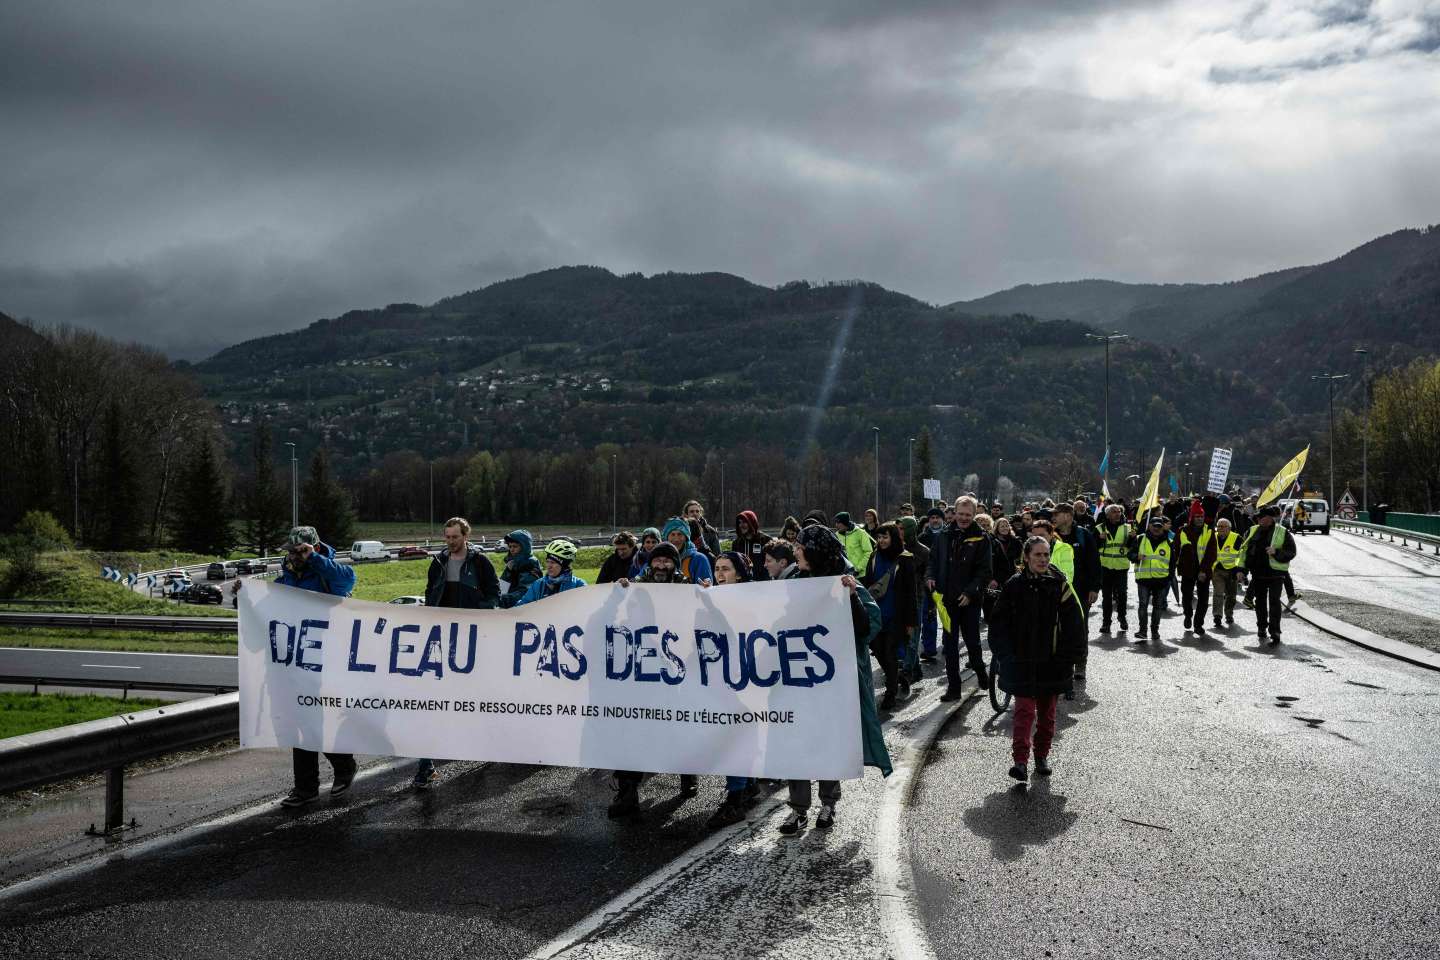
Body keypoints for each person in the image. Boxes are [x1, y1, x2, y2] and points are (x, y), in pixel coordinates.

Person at [779, 524, 891, 836]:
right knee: (796, 741)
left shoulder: (847, 581)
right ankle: (797, 808)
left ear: (816, 552)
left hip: (834, 681)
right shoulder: (790, 580)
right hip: (798, 679)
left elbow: (868, 627)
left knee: (828, 741)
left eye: (801, 547)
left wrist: (852, 597)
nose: (796, 551)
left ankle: (828, 802)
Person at [609, 543, 698, 817]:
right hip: (643, 670)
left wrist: (706, 593)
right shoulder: (637, 586)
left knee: (681, 726)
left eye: (666, 561)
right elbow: (617, 614)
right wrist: (619, 591)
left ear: (675, 564)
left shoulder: (688, 589)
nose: (661, 566)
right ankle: (627, 792)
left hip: (677, 670)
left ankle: (689, 773)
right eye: (656, 561)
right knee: (632, 728)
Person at [989, 534, 1086, 782]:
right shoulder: (1013, 585)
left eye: (1046, 554)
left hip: (1052, 663)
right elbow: (998, 623)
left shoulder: (1060, 585)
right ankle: (1020, 761)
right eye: (1037, 555)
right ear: (1027, 557)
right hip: (1020, 662)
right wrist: (1005, 655)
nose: (1043, 559)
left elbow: (1075, 623)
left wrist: (1068, 658)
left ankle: (1041, 755)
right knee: (1023, 713)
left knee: (1047, 715)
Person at [274, 525, 359, 808]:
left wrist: (315, 560)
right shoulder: (287, 573)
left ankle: (344, 765)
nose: (296, 556)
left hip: (328, 657)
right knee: (301, 721)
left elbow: (346, 583)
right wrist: (245, 593)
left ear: (315, 548)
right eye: (293, 551)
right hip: (297, 658)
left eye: (302, 551)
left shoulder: (329, 570)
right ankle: (306, 787)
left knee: (317, 719)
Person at [415, 517, 500, 788]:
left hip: (471, 638)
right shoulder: (438, 562)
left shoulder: (479, 562)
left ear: (466, 536)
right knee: (433, 701)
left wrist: (475, 615)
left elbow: (494, 595)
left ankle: (482, 742)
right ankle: (425, 766)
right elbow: (430, 593)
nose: (450, 541)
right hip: (441, 638)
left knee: (472, 695)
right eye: (447, 536)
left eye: (454, 536)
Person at [704, 551, 764, 827]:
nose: (719, 574)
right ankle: (748, 783)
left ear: (739, 573)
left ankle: (735, 799)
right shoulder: (712, 597)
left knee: (735, 733)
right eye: (717, 568)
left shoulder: (753, 598)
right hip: (722, 677)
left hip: (747, 677)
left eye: (726, 569)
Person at [928, 496, 993, 700]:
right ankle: (954, 688)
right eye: (961, 514)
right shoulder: (943, 535)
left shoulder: (982, 538)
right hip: (946, 601)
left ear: (974, 515)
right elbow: (933, 560)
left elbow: (985, 571)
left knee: (973, 643)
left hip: (969, 602)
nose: (964, 518)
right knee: (949, 645)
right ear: (954, 513)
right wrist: (929, 577)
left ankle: (981, 672)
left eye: (968, 515)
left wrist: (970, 592)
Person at [862, 522, 917, 710]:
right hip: (876, 615)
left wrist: (911, 622)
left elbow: (911, 592)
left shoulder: (905, 559)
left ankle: (890, 693)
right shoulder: (874, 556)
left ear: (893, 538)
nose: (881, 541)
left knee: (889, 652)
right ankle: (898, 677)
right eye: (879, 537)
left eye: (885, 537)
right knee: (878, 651)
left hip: (896, 615)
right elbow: (868, 584)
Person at [1244, 506, 1297, 645]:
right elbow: (1243, 551)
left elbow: (1291, 551)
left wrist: (1276, 552)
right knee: (1260, 602)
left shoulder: (1282, 531)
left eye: (1261, 517)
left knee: (1274, 602)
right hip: (1258, 573)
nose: (1258, 519)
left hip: (1275, 574)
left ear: (1269, 518)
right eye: (1258, 517)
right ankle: (1261, 627)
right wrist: (1241, 571)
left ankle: (1275, 631)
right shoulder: (1252, 530)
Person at [895, 515, 931, 683]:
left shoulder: (923, 551)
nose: (899, 532)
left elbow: (927, 575)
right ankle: (916, 669)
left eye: (902, 528)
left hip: (916, 597)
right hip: (899, 596)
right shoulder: (895, 548)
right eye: (898, 528)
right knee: (904, 635)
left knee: (912, 636)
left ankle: (907, 670)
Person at [1130, 515, 1173, 642]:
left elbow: (1172, 561)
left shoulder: (1168, 542)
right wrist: (1136, 557)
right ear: (1149, 526)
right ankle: (1143, 631)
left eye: (1159, 526)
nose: (1156, 528)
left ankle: (1155, 630)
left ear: (1162, 528)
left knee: (1158, 606)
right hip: (1144, 579)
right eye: (1154, 526)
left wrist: (1170, 578)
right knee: (1143, 605)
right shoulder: (1140, 539)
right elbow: (1130, 554)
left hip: (1161, 580)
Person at [1175, 512, 1216, 637]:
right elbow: (1177, 548)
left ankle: (1198, 624)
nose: (1200, 519)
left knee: (1203, 599)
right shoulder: (1183, 531)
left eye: (1202, 517)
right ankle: (1188, 614)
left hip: (1204, 570)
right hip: (1188, 570)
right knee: (1186, 596)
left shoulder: (1209, 531)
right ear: (1192, 518)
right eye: (1197, 517)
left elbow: (1212, 552)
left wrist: (1203, 570)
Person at [1096, 504, 1134, 635]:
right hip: (1105, 567)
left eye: (1119, 511)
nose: (1117, 514)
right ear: (1107, 515)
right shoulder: (1099, 528)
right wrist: (1098, 539)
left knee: (1122, 595)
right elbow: (1093, 546)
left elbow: (1132, 547)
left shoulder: (1128, 528)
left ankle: (1122, 617)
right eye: (1114, 512)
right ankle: (1106, 623)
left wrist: (1132, 539)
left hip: (1121, 566)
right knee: (1106, 597)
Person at [916, 508, 946, 663]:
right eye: (932, 518)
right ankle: (929, 649)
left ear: (942, 519)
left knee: (947, 617)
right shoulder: (922, 537)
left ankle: (948, 644)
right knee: (929, 617)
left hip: (947, 584)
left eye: (937, 517)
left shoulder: (949, 535)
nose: (935, 520)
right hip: (927, 584)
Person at [515, 539, 586, 605]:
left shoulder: (579, 585)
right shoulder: (538, 584)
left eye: (553, 562)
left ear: (565, 566)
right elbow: (523, 606)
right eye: (547, 562)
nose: (549, 566)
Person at [1209, 517, 1243, 629]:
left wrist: (1239, 571)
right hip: (1217, 570)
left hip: (1232, 571)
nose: (1221, 528)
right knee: (1218, 593)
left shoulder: (1237, 538)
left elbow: (1241, 556)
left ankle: (1229, 614)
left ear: (1229, 528)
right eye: (1219, 526)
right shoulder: (1212, 537)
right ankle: (1217, 616)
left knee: (1231, 596)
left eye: (1224, 526)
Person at [658, 516, 713, 584]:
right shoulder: (657, 559)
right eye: (672, 534)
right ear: (666, 537)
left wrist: (706, 585)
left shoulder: (698, 559)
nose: (676, 539)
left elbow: (706, 587)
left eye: (680, 534)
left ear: (686, 537)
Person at [497, 530, 544, 608]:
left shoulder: (530, 564)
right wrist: (508, 571)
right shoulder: (513, 563)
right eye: (510, 546)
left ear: (524, 547)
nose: (511, 550)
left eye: (515, 546)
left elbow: (525, 593)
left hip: (524, 609)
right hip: (511, 607)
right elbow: (502, 587)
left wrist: (500, 600)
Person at [732, 510, 770, 582]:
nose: (741, 525)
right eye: (739, 522)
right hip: (743, 584)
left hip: (763, 583)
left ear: (752, 522)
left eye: (744, 522)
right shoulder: (736, 543)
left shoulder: (765, 540)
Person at [833, 511, 875, 576]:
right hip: (844, 576)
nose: (836, 525)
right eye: (835, 522)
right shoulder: (836, 535)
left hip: (860, 575)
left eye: (838, 522)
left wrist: (858, 569)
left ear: (845, 523)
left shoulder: (860, 533)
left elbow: (868, 552)